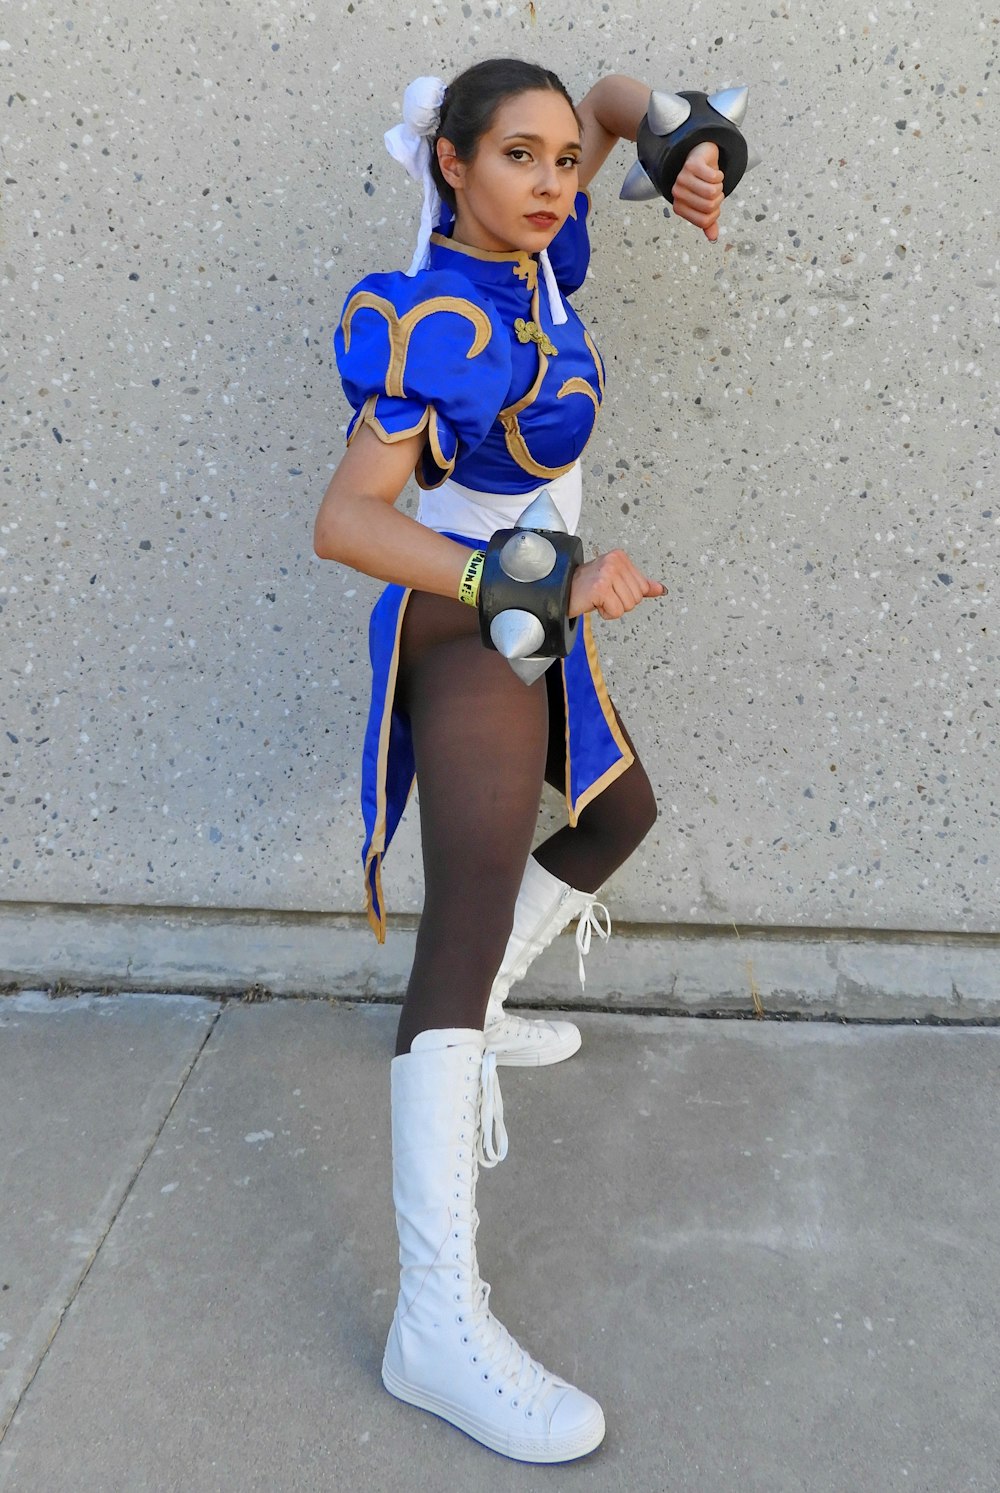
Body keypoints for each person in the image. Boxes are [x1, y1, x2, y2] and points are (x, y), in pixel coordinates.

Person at [314, 59, 726, 1463]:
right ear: (451, 166)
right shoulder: (430, 311)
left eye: (564, 161)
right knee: (468, 904)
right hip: (464, 618)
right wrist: (521, 572)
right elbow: (350, 521)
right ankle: (436, 1319)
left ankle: (481, 1003)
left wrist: (661, 133)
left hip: (530, 607)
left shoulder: (542, 263)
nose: (555, 182)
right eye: (520, 158)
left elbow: (608, 106)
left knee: (619, 820)